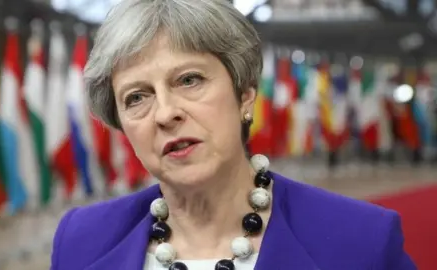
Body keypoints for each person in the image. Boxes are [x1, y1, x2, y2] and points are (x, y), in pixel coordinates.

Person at [50, 0, 417, 269]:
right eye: (137, 97)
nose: (165, 113)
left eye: (189, 80)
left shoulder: (362, 241)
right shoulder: (80, 241)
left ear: (245, 95)